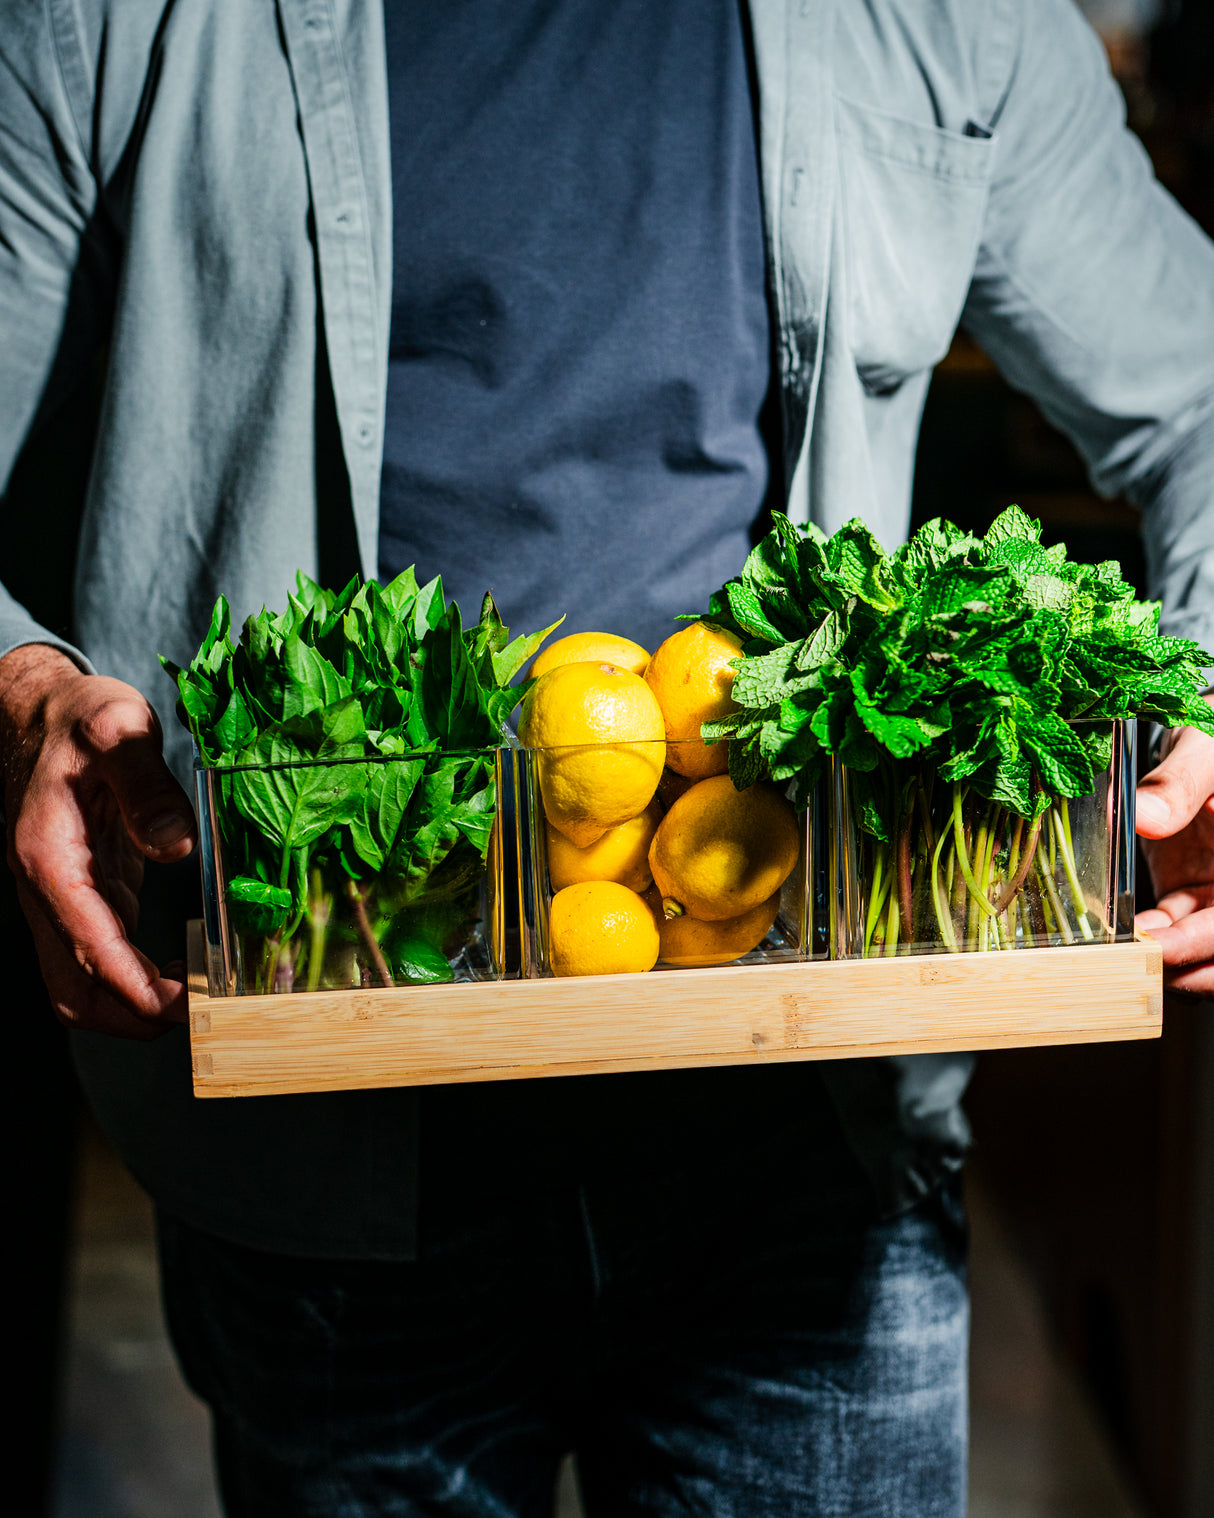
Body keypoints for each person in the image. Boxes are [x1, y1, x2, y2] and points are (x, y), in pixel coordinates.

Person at [2, 1, 1212, 1513]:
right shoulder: (110, 21)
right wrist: (21, 688)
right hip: (334, 1149)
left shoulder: (946, 13)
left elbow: (1198, 383)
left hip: (815, 1151)